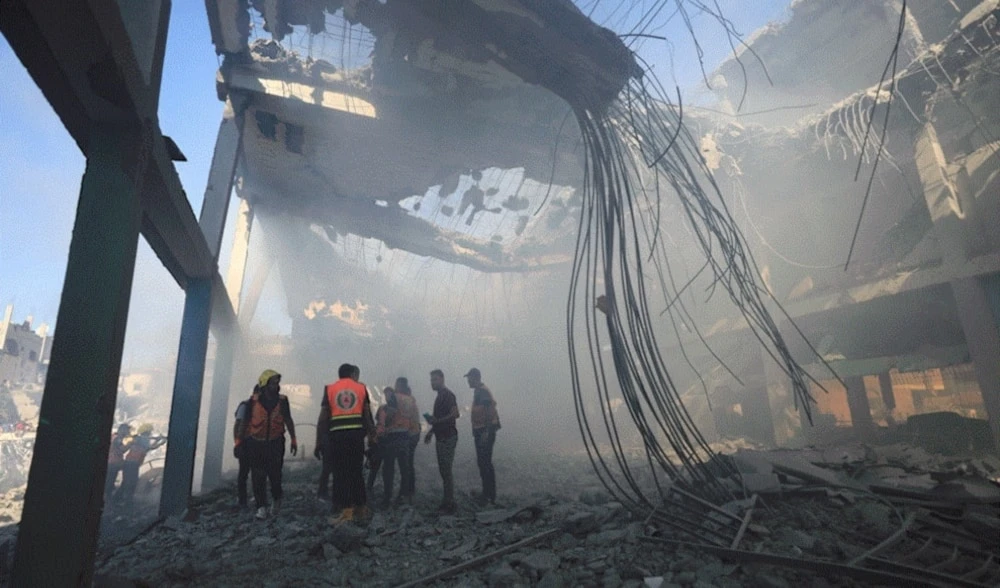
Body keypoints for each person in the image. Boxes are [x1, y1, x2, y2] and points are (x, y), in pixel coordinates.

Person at [318, 364, 374, 525]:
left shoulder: (330, 389)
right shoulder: (361, 388)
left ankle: (346, 512)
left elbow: (323, 417)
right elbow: (367, 414)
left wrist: (321, 440)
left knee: (341, 474)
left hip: (338, 437)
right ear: (352, 374)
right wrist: (372, 436)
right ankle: (361, 508)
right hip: (356, 436)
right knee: (356, 472)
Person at [238, 369, 297, 520]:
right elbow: (244, 422)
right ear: (264, 384)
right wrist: (239, 441)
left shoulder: (283, 401)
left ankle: (277, 499)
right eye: (272, 383)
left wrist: (293, 439)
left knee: (275, 475)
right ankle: (261, 506)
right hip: (256, 443)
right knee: (257, 476)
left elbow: (288, 420)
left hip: (275, 443)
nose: (276, 386)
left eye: (277, 383)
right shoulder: (252, 402)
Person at [424, 369, 459, 513]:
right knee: (444, 470)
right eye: (431, 380)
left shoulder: (448, 395)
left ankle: (449, 503)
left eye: (435, 380)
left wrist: (437, 421)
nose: (433, 383)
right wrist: (431, 431)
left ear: (442, 379)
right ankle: (447, 500)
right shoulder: (439, 397)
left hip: (448, 437)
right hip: (441, 436)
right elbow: (438, 420)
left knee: (446, 470)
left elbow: (455, 414)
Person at [466, 368, 500, 506]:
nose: (468, 381)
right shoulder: (479, 391)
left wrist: (486, 431)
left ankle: (489, 496)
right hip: (482, 431)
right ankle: (487, 494)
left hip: (485, 432)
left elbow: (488, 411)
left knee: (485, 463)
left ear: (476, 378)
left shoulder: (482, 391)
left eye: (469, 378)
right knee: (483, 462)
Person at [117, 424, 167, 509]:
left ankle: (118, 499)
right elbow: (151, 447)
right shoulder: (142, 439)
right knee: (131, 483)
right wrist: (160, 442)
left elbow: (149, 448)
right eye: (149, 432)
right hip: (131, 464)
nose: (150, 433)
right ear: (147, 432)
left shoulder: (141, 439)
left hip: (132, 464)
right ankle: (126, 502)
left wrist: (159, 442)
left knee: (127, 482)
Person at [393, 377, 421, 505]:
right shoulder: (411, 399)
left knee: (405, 465)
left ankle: (404, 493)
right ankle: (410, 490)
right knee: (409, 463)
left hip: (407, 434)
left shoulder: (400, 398)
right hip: (414, 433)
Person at [105, 423, 132, 507]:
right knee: (109, 482)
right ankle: (107, 502)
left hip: (112, 462)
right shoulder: (117, 439)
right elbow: (121, 450)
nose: (128, 432)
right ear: (122, 430)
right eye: (127, 430)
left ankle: (107, 500)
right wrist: (130, 444)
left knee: (109, 481)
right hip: (113, 463)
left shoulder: (114, 437)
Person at [234, 397, 252, 509]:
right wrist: (238, 443)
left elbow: (237, 425)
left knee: (245, 473)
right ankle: (243, 500)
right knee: (245, 473)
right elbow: (238, 426)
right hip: (247, 443)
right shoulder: (246, 406)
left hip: (250, 442)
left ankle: (243, 501)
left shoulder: (245, 405)